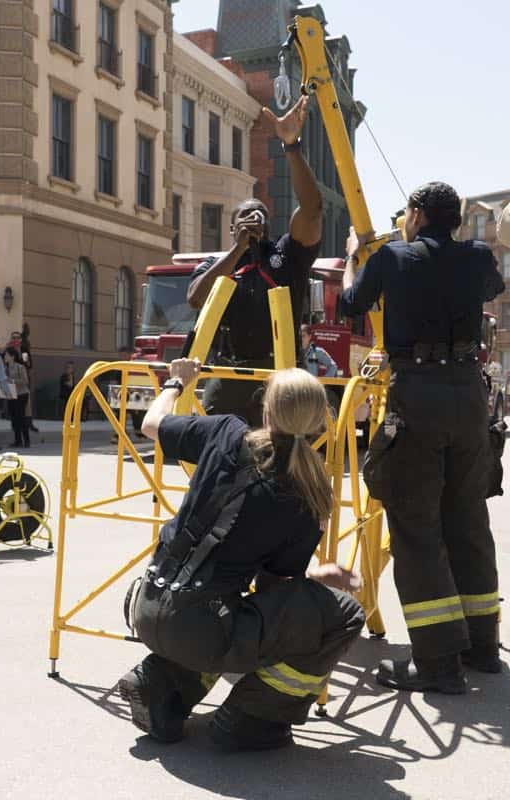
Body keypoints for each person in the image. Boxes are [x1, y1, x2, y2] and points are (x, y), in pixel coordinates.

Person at [117, 359, 365, 750]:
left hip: (146, 604)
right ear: (320, 422)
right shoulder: (308, 495)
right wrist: (319, 576)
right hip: (200, 624)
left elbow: (151, 424)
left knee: (222, 614)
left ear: (266, 409)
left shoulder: (226, 431)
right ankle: (252, 718)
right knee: (344, 614)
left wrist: (177, 382)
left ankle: (162, 685)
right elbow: (274, 590)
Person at [338, 181, 505, 691]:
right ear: (456, 219)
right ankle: (481, 647)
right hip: (469, 398)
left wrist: (353, 258)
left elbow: (351, 304)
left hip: (419, 395)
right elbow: (491, 288)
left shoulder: (392, 257)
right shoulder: (477, 257)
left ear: (415, 214)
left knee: (416, 527)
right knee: (468, 521)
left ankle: (436, 663)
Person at [186, 97, 323, 427]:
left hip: (281, 375)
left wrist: (291, 147)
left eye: (260, 214)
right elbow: (196, 299)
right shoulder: (217, 263)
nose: (254, 218)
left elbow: (312, 210)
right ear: (232, 229)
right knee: (216, 444)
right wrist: (237, 251)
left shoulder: (287, 255)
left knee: (282, 448)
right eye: (245, 216)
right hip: (228, 373)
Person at [4, 346, 30, 448]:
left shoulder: (20, 367)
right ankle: (17, 440)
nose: (5, 357)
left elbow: (25, 381)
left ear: (12, 357)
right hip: (11, 395)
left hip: (21, 394)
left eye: (7, 355)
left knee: (21, 417)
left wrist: (12, 381)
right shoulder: (5, 368)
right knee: (14, 418)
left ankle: (26, 440)